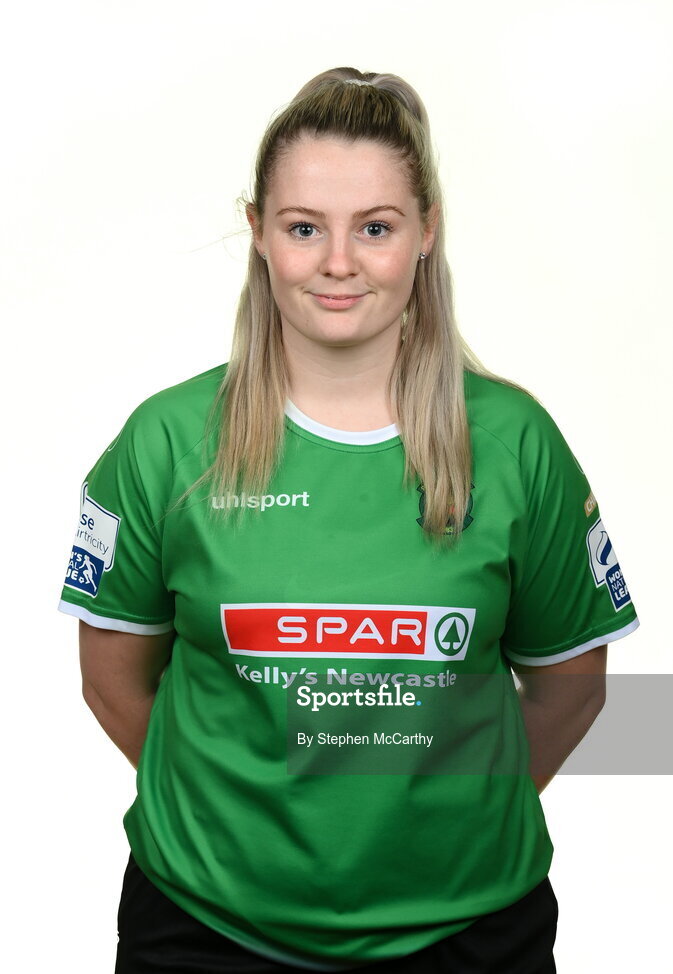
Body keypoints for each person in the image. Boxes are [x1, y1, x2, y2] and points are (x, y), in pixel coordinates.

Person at [58, 66, 639, 973]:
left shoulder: (515, 443)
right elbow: (111, 682)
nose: (338, 262)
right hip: (205, 931)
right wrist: (237, 820)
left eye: (374, 227)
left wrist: (441, 826)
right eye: (303, 228)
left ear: (425, 233)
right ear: (258, 231)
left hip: (469, 935)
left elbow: (572, 689)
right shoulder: (166, 443)